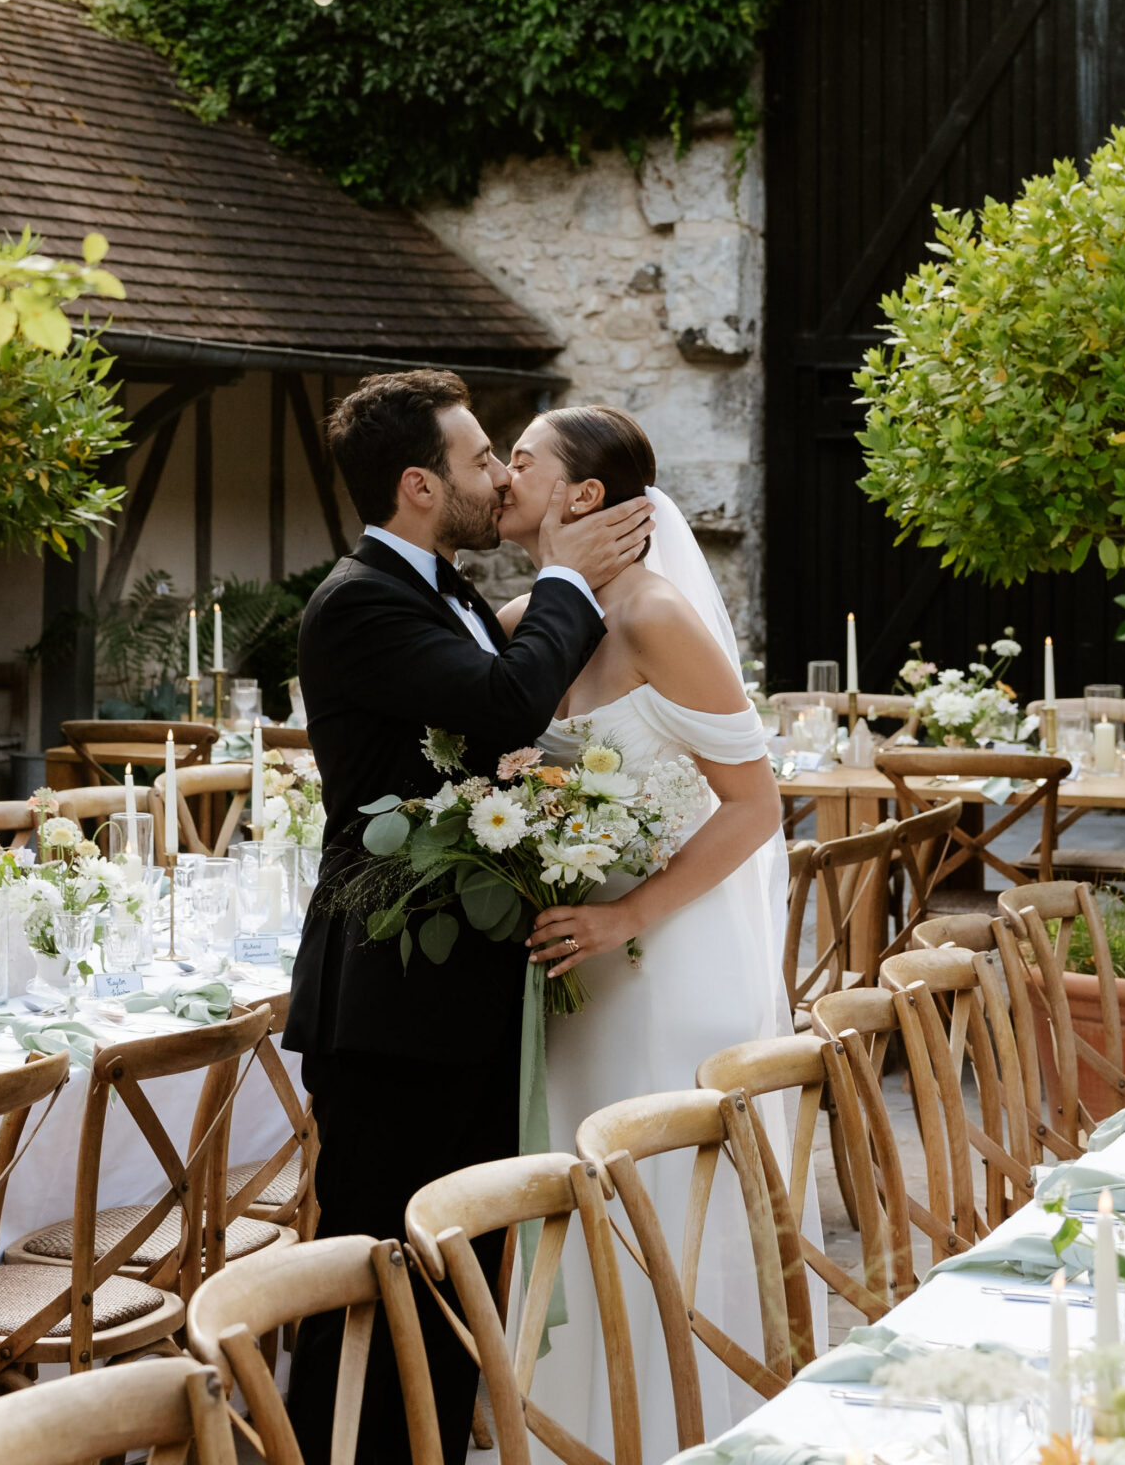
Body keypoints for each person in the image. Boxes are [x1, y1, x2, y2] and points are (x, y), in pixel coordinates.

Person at [284, 370, 655, 1465]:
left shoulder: (437, 589)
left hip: (472, 987)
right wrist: (567, 582)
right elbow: (503, 704)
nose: (499, 475)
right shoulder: (357, 601)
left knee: (456, 1277)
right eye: (480, 459)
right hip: (390, 989)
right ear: (417, 485)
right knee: (366, 1276)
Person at [493, 403, 812, 1464]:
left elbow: (757, 806)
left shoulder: (656, 616)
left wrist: (627, 911)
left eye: (522, 461)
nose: (501, 474)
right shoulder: (525, 621)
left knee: (648, 1211)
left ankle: (672, 1441)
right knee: (569, 1206)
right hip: (571, 962)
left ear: (583, 495)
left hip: (662, 956)